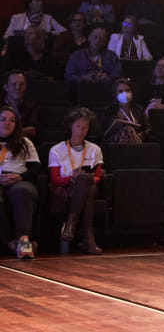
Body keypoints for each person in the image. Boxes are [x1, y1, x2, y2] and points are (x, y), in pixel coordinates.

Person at [47, 108, 104, 254]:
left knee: (87, 183)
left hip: (85, 187)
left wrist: (84, 179)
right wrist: (73, 178)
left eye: (85, 127)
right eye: (78, 126)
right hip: (66, 189)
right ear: (71, 126)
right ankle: (88, 237)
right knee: (87, 185)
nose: (81, 130)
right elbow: (55, 179)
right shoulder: (56, 150)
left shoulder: (95, 150)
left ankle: (71, 223)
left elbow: (97, 176)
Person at [0, 106, 39, 259]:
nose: (7, 123)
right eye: (3, 119)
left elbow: (36, 167)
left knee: (23, 192)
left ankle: (24, 243)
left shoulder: (24, 142)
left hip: (19, 179)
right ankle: (12, 242)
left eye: (11, 120)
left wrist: (21, 177)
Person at [103, 79, 150, 144]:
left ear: (132, 92)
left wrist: (141, 135)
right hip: (114, 146)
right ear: (115, 94)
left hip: (137, 145)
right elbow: (102, 133)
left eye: (127, 90)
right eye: (120, 91)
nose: (124, 94)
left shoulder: (139, 109)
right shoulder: (110, 110)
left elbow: (147, 129)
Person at [3, 72, 37, 138]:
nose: (18, 87)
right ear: (6, 87)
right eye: (13, 84)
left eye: (21, 84)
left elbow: (33, 130)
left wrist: (8, 132)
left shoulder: (31, 107)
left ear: (25, 87)